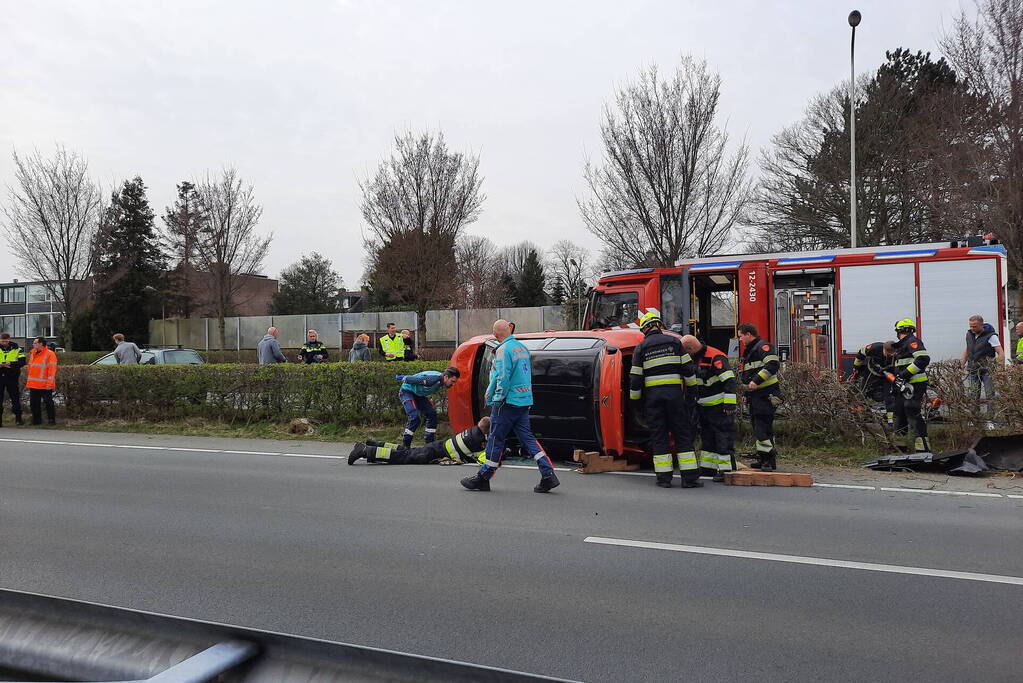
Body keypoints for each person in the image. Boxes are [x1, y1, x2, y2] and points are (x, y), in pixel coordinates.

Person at [461, 319, 559, 493]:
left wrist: (497, 399)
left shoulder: (503, 350)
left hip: (507, 402)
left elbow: (503, 378)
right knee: (528, 439)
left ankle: (483, 477)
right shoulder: (522, 348)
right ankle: (548, 474)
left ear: (495, 334)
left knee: (495, 439)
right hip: (523, 401)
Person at [627, 309, 700, 489]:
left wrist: (635, 403)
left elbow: (635, 379)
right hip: (675, 398)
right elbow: (688, 370)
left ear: (645, 329)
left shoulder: (641, 348)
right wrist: (692, 393)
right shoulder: (674, 342)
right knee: (682, 435)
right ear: (659, 325)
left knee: (659, 437)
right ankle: (689, 479)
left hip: (654, 401)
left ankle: (664, 479)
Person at [682, 335, 736, 483]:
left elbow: (729, 380)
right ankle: (708, 468)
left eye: (685, 351)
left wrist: (729, 404)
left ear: (690, 349)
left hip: (719, 407)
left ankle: (726, 470)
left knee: (723, 438)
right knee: (707, 438)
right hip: (703, 407)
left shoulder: (715, 357)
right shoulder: (694, 358)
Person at [348, 417, 490, 465]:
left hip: (438, 446)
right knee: (403, 457)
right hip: (436, 453)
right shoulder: (479, 441)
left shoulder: (473, 431)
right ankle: (366, 451)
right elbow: (482, 459)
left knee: (407, 451)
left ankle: (376, 444)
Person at [738, 322, 781, 471]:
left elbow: (773, 364)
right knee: (761, 427)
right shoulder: (750, 351)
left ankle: (767, 459)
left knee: (761, 427)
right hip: (756, 395)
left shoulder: (763, 347)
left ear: (748, 334)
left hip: (766, 394)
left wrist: (756, 381)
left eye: (741, 336)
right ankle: (765, 459)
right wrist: (746, 393)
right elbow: (748, 376)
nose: (740, 339)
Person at [888, 318, 932, 453]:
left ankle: (923, 449)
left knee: (912, 412)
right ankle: (900, 447)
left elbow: (923, 359)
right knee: (899, 413)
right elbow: (904, 363)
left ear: (899, 331)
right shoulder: (902, 345)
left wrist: (904, 375)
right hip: (903, 386)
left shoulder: (912, 341)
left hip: (914, 385)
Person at [396, 367, 460, 448]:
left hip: (418, 395)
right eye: (452, 381)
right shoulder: (433, 379)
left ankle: (429, 445)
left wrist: (429, 400)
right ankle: (406, 445)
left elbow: (426, 388)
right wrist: (402, 377)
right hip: (407, 392)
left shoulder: (441, 381)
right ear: (446, 377)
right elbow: (416, 380)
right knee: (415, 417)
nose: (453, 384)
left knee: (432, 414)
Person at [851, 341, 896, 427]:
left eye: (891, 355)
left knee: (889, 397)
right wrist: (856, 367)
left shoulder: (898, 353)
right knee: (862, 393)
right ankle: (860, 417)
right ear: (884, 349)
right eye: (887, 353)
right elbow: (861, 353)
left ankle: (890, 421)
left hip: (887, 376)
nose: (889, 356)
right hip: (871, 373)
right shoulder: (874, 348)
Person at [962, 315, 1003, 403]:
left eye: (975, 326)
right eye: (970, 326)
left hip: (987, 371)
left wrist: (997, 367)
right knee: (973, 396)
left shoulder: (991, 336)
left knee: (990, 396)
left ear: (982, 325)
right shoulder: (969, 334)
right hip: (973, 370)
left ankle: (991, 412)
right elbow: (968, 350)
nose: (972, 329)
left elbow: (1001, 353)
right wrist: (961, 364)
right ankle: (975, 412)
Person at [26, 336, 57, 425]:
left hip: (45, 384)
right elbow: (31, 368)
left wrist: (49, 383)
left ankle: (51, 420)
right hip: (34, 384)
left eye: (35, 343)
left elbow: (52, 370)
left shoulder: (50, 354)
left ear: (41, 344)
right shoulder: (33, 353)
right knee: (34, 404)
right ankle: (36, 421)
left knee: (48, 403)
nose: (33, 344)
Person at [0, 332, 26, 425]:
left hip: (12, 377)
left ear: (9, 340)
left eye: (6, 341)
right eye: (2, 341)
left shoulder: (16, 348)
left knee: (15, 398)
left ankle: (18, 419)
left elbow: (22, 362)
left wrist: (11, 363)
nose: (4, 343)